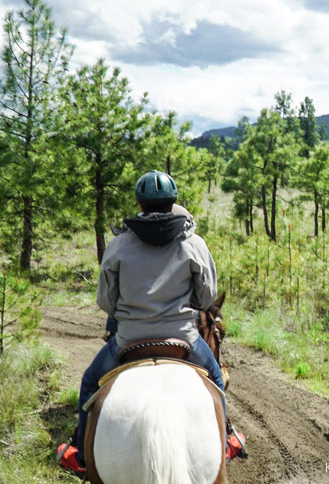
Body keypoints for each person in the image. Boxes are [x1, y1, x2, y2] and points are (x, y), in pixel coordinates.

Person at [58, 170, 246, 474]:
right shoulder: (193, 242)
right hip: (184, 339)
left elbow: (105, 301)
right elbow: (208, 294)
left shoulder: (118, 245)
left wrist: (129, 312)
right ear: (173, 202)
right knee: (215, 380)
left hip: (129, 339)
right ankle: (225, 439)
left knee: (90, 382)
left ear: (140, 204)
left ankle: (79, 451)